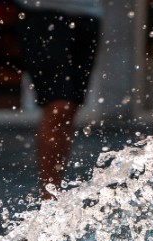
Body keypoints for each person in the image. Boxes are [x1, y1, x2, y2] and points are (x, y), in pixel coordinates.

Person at [13, 0, 102, 199]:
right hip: (41, 14)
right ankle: (48, 198)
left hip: (89, 15)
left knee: (69, 108)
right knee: (59, 105)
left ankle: (55, 189)